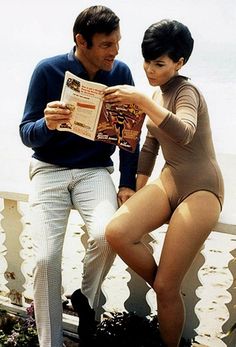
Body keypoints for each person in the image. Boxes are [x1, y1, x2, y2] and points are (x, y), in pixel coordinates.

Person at [19, 5, 139, 347]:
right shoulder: (47, 70)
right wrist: (47, 124)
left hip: (94, 171)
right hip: (48, 171)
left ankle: (85, 301)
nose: (115, 51)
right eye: (106, 44)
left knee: (107, 234)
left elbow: (130, 137)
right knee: (45, 259)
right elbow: (26, 132)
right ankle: (51, 343)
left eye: (117, 42)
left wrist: (128, 183)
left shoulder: (121, 72)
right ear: (81, 41)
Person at [104, 19, 224, 347]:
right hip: (168, 182)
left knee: (166, 290)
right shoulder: (157, 93)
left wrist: (143, 102)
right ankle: (164, 285)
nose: (149, 70)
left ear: (179, 63)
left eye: (159, 63)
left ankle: (166, 300)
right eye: (146, 61)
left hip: (201, 189)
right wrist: (138, 191)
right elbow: (150, 146)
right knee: (116, 232)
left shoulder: (187, 91)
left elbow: (184, 132)